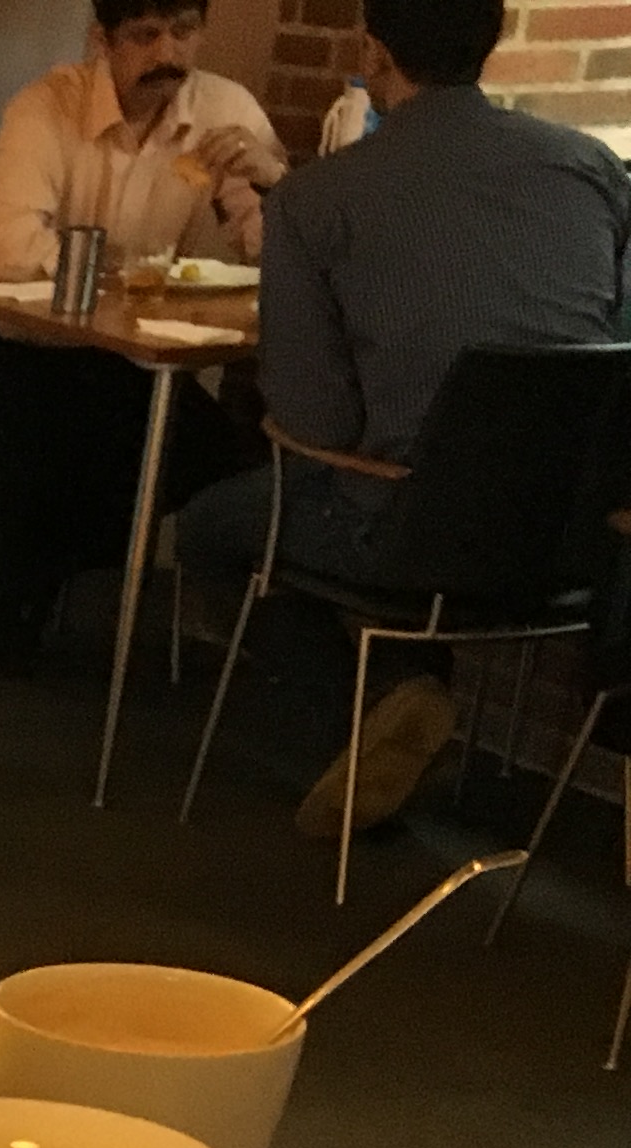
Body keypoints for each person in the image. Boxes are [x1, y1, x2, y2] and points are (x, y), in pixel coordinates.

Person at [173, 0, 631, 834]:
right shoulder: (593, 171)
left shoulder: (316, 198)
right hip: (574, 545)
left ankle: (372, 708)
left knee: (210, 528)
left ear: (374, 54)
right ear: (493, 42)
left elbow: (316, 422)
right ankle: (402, 715)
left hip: (405, 534)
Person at [0, 3, 285, 668]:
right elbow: (5, 243)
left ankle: (23, 572)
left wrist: (273, 186)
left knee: (217, 465)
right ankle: (15, 587)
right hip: (23, 349)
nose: (168, 53)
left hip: (135, 361)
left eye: (184, 32)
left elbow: (275, 256)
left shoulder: (226, 112)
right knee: (65, 450)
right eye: (145, 35)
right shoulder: (46, 107)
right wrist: (121, 279)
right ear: (102, 39)